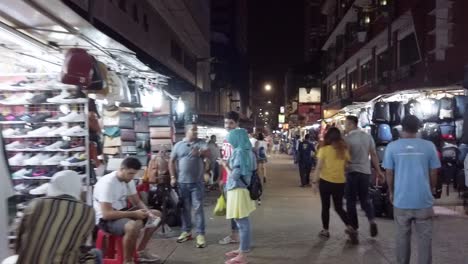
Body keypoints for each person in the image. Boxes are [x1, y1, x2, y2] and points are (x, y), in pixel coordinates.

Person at [382, 115, 440, 264]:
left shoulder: (392, 147)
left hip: (401, 200)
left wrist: (392, 191)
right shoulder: (429, 146)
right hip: (423, 200)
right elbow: (434, 172)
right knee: (425, 240)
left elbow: (389, 172)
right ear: (418, 127)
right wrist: (432, 190)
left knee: (402, 238)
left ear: (402, 127)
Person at [15, 170, 101, 264]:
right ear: (78, 187)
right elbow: (83, 245)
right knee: (96, 253)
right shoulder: (87, 212)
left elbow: (19, 241)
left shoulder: (35, 204)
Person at [94, 157, 161, 264]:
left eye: (134, 174)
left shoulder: (128, 180)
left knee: (156, 214)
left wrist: (147, 212)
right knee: (132, 226)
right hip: (105, 220)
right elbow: (107, 214)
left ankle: (141, 251)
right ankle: (128, 261)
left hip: (122, 212)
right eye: (130, 173)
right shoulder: (107, 184)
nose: (132, 177)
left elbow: (137, 201)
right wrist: (134, 213)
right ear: (121, 169)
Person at [312, 127, 358, 243]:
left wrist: (314, 182)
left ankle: (325, 230)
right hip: (340, 183)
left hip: (325, 182)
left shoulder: (324, 150)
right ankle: (350, 227)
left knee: (325, 207)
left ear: (328, 137)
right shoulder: (344, 150)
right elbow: (346, 166)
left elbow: (318, 167)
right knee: (339, 207)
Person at [344, 115, 384, 239]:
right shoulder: (368, 137)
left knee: (350, 201)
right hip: (365, 172)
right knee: (365, 199)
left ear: (352, 124)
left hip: (351, 172)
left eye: (346, 124)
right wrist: (378, 171)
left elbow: (345, 158)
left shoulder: (347, 139)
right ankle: (372, 220)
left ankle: (354, 228)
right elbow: (373, 154)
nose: (345, 126)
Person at [219, 129, 256, 264]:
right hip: (242, 189)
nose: (230, 142)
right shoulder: (248, 151)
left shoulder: (240, 152)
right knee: (241, 222)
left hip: (238, 190)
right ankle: (241, 249)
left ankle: (243, 255)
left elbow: (234, 176)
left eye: (231, 139)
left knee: (242, 223)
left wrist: (224, 165)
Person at [169, 123, 209, 248]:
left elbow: (208, 153)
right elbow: (171, 161)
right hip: (182, 183)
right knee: (185, 209)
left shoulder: (200, 143)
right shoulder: (178, 145)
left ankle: (200, 234)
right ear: (187, 131)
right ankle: (186, 232)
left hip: (197, 183)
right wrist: (172, 177)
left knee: (198, 209)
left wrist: (200, 153)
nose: (196, 132)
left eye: (197, 130)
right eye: (194, 130)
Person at [218, 111, 241, 245]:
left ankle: (236, 236)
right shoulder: (227, 138)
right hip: (228, 178)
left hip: (235, 179)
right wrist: (222, 177)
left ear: (237, 123)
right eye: (226, 122)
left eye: (231, 122)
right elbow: (225, 158)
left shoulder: (238, 139)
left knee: (235, 210)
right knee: (232, 209)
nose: (228, 125)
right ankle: (235, 235)